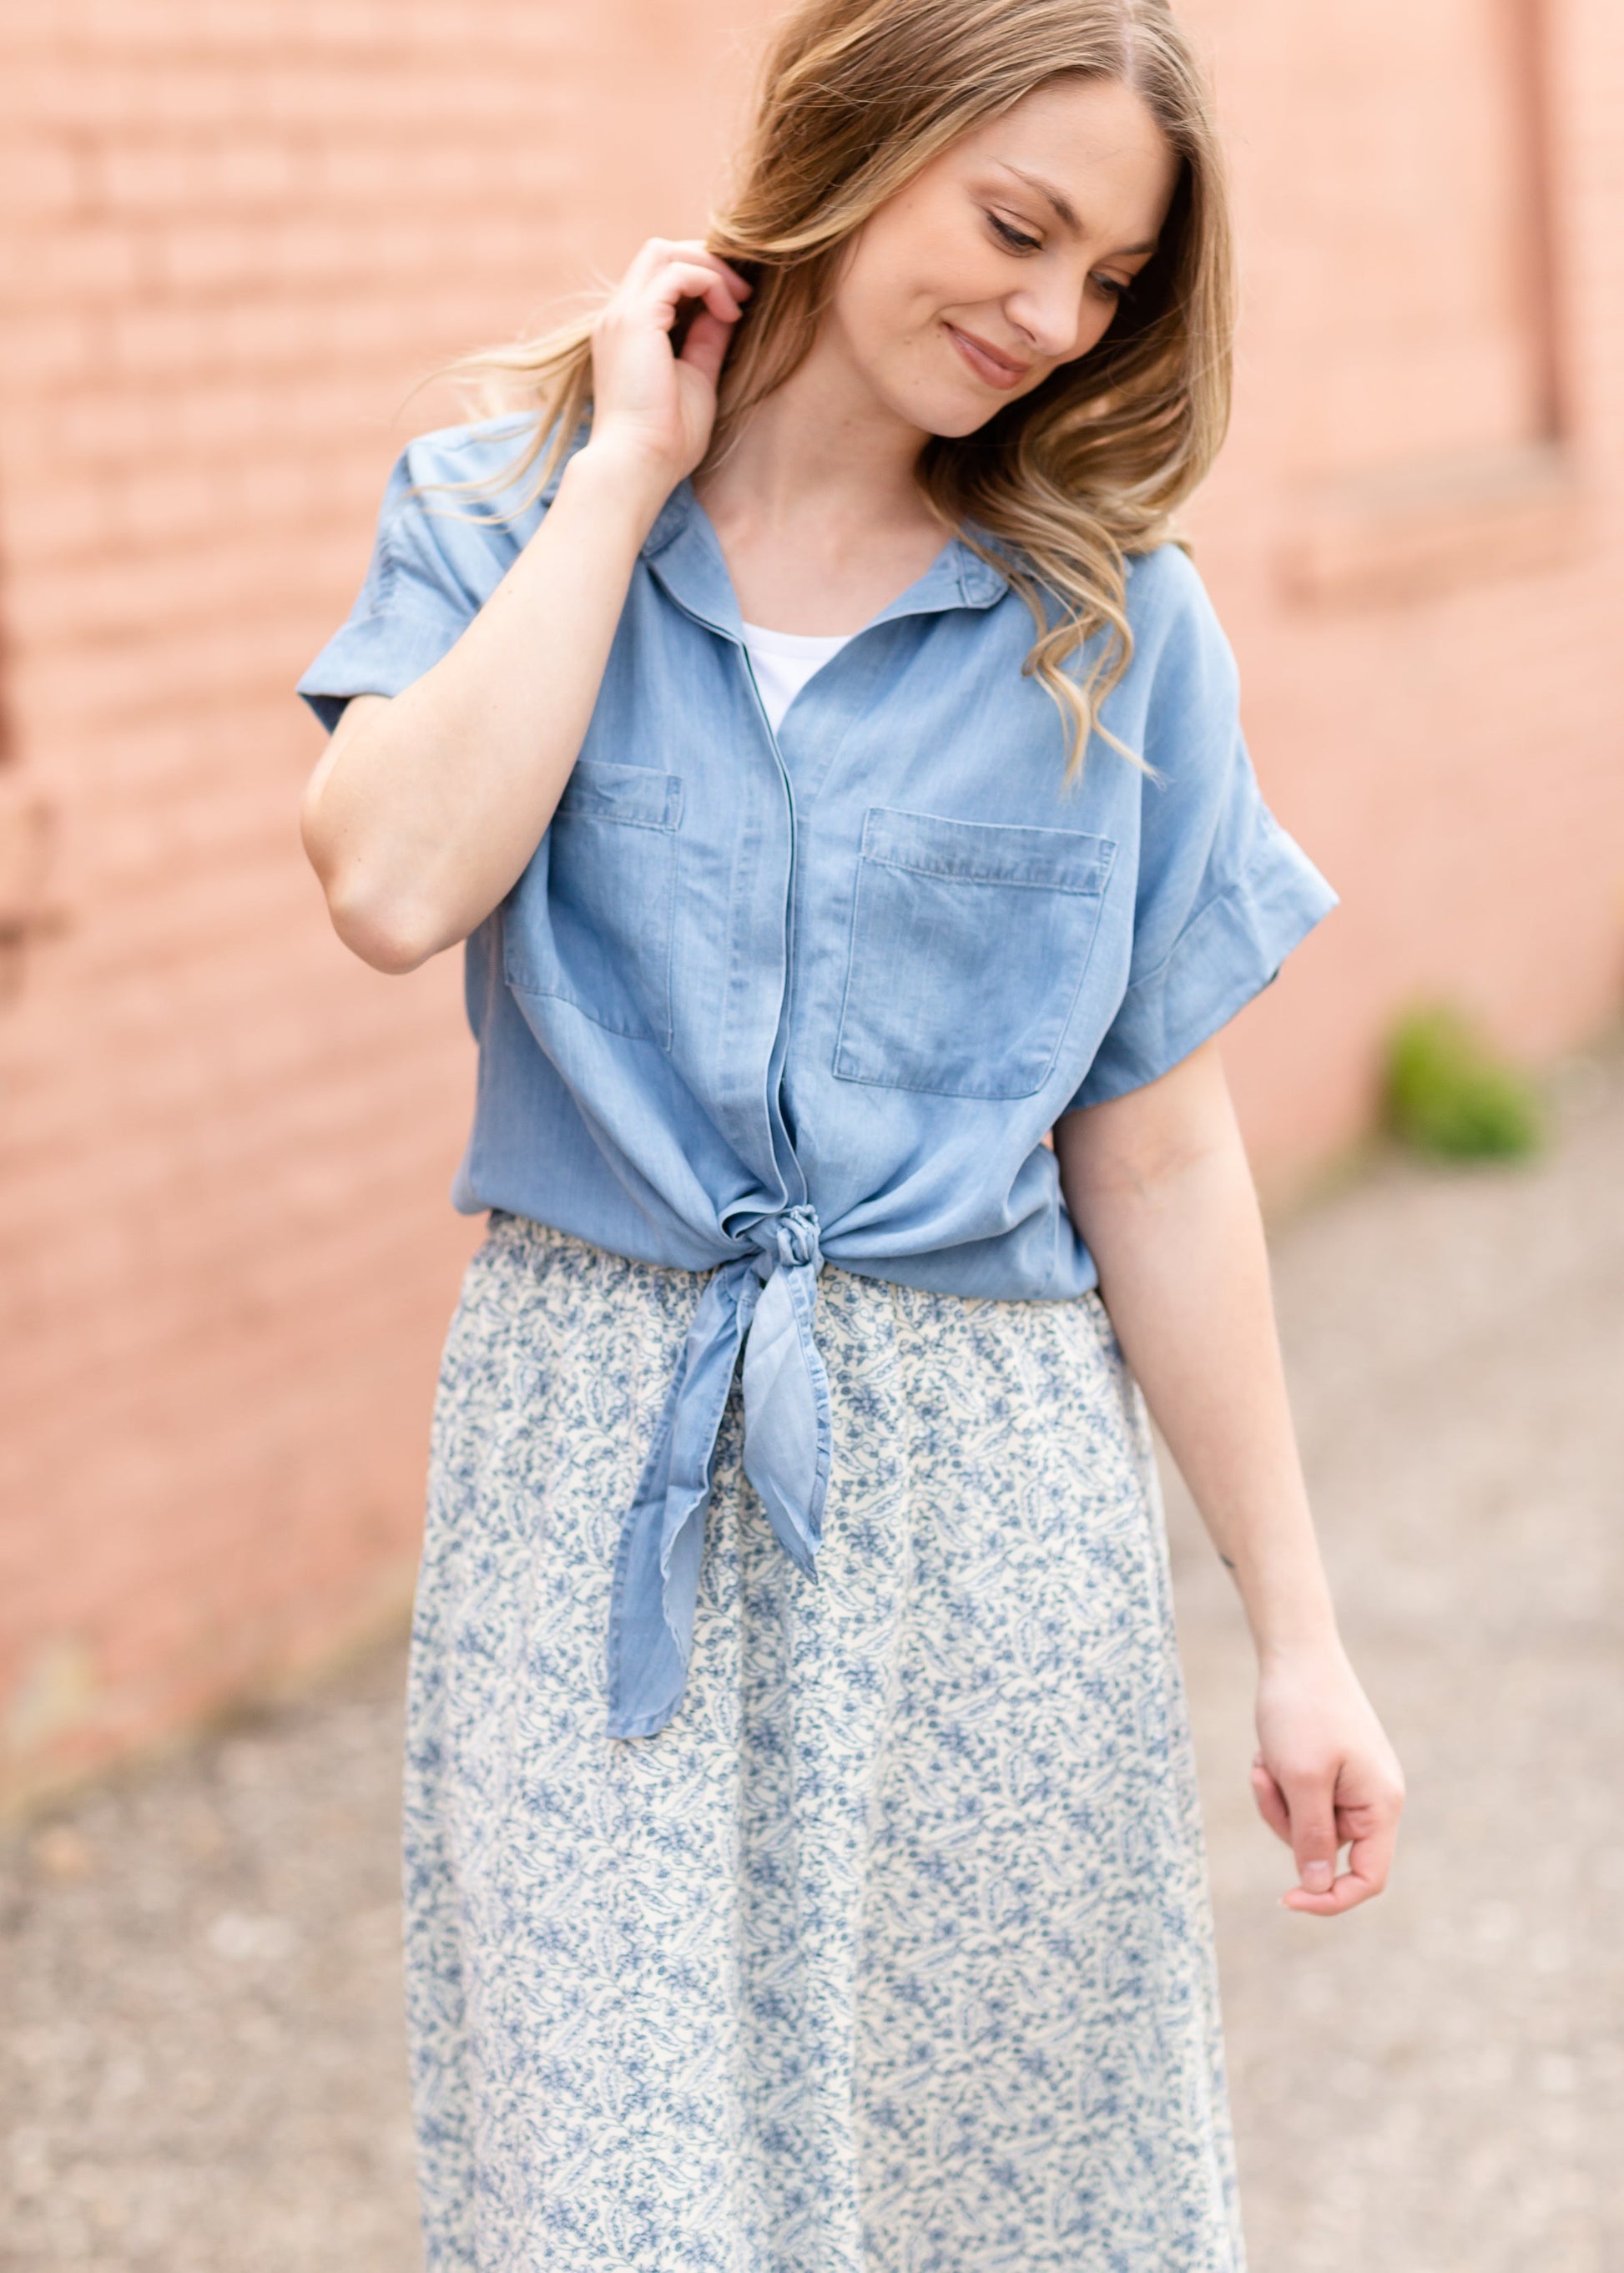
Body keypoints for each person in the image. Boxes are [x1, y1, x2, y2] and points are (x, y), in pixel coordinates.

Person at [297, 0, 1405, 2264]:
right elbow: (398, 880)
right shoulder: (500, 510)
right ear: (855, 132)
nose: (1044, 318)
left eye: (1103, 280)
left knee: (992, 2191)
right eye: (1015, 227)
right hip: (595, 1450)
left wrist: (1297, 1628)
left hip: (983, 1481)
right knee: (610, 2201)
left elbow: (1158, 1152)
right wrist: (621, 477)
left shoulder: (1109, 624)